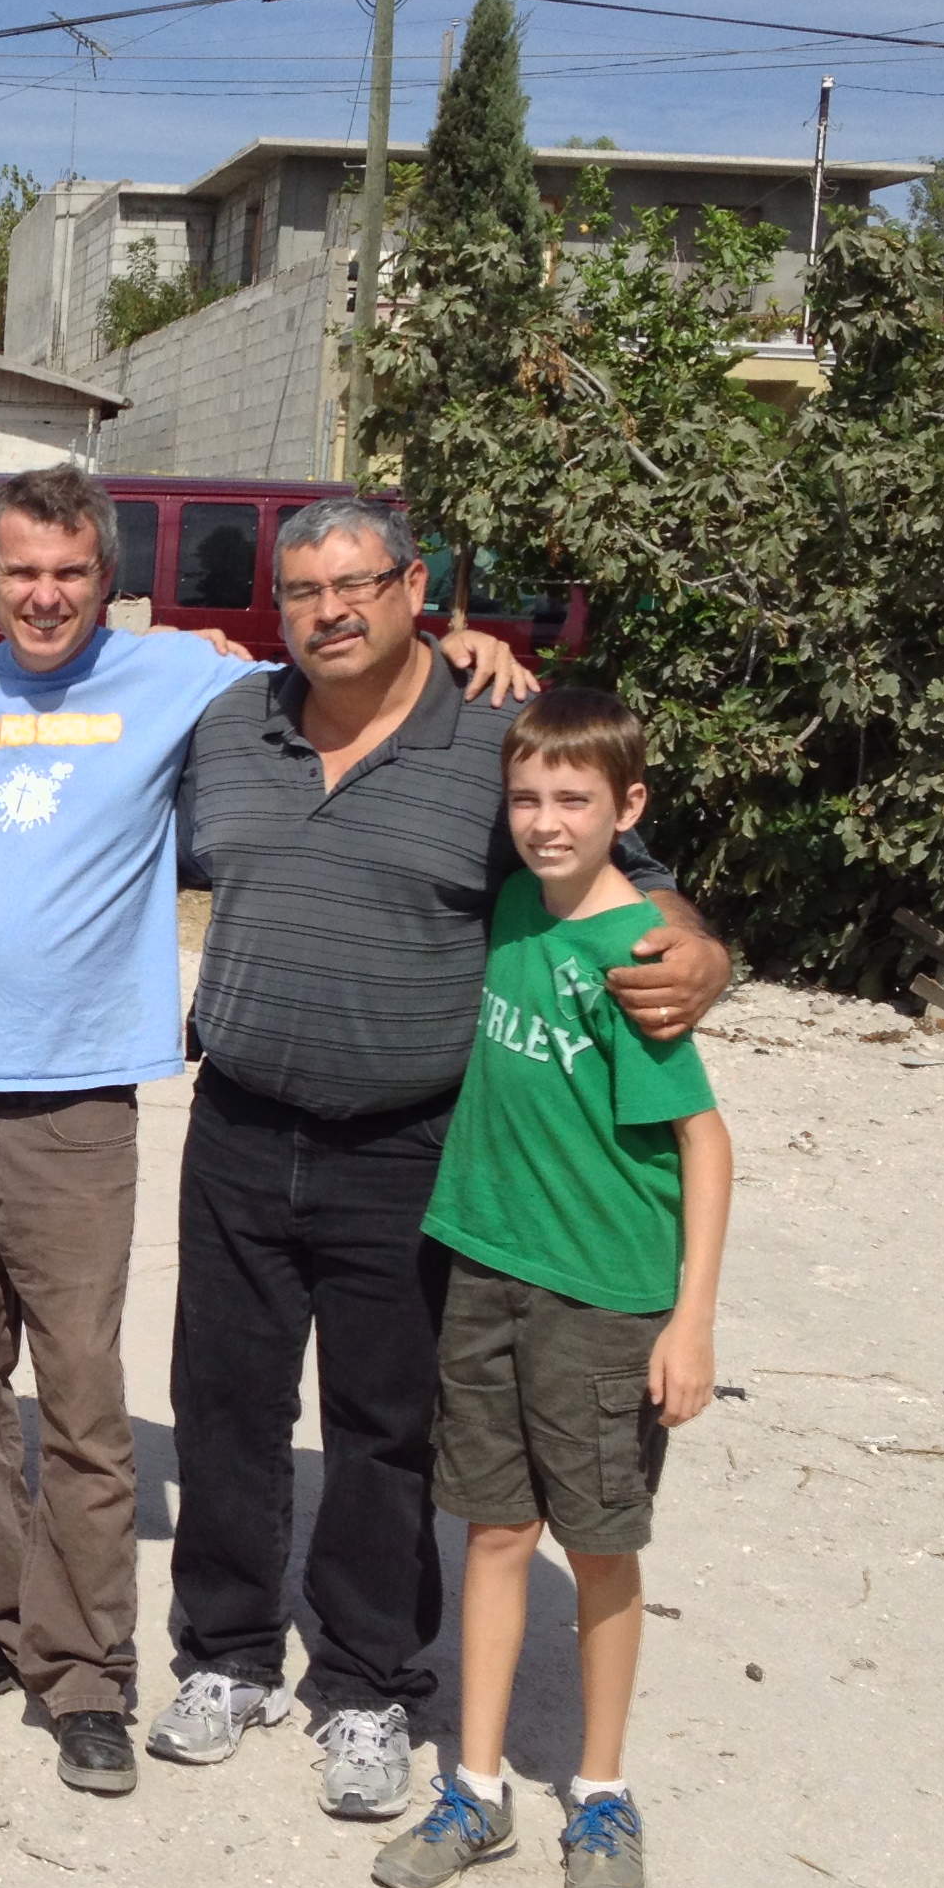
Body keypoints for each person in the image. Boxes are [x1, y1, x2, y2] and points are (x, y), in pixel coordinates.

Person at [152, 498, 732, 1818]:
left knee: (386, 1425)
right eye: (303, 592)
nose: (330, 612)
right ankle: (229, 1655)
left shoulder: (490, 744)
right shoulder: (233, 725)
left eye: (358, 585)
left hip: (408, 1144)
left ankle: (364, 1684)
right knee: (226, 1403)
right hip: (239, 1122)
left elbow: (630, 878)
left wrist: (699, 951)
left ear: (417, 589)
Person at [0, 465, 248, 1796]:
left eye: (70, 573)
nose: (44, 595)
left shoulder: (178, 681)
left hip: (79, 1107)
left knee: (84, 1405)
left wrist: (473, 651)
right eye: (22, 572)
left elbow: (348, 685)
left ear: (108, 579)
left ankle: (86, 1672)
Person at [373, 689, 730, 1888]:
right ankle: (475, 1787)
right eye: (526, 798)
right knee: (491, 1530)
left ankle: (602, 1789)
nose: (544, 821)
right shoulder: (520, 908)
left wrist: (692, 1323)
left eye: (574, 800)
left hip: (605, 1296)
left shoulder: (636, 954)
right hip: (488, 1267)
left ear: (628, 811)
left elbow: (706, 1143)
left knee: (603, 1543)